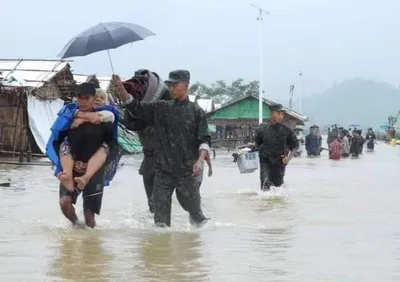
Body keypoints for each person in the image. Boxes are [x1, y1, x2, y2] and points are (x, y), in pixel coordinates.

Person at [114, 70, 210, 228]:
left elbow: (204, 139)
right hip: (162, 172)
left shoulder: (196, 112)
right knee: (160, 223)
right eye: (169, 85)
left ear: (186, 85)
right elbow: (137, 108)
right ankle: (161, 251)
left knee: (197, 215)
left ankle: (195, 248)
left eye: (174, 85)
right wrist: (122, 91)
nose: (171, 88)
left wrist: (200, 160)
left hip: (187, 172)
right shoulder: (161, 107)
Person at [53, 83, 118, 228]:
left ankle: (90, 242)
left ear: (93, 99)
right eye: (79, 98)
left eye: (86, 98)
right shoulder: (68, 118)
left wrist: (99, 166)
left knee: (89, 217)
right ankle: (76, 225)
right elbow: (56, 142)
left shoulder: (105, 120)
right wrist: (73, 163)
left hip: (93, 169)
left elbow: (113, 145)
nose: (82, 101)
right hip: (72, 166)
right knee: (64, 203)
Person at [123, 70, 172, 213]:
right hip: (149, 158)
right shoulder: (139, 111)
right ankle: (159, 229)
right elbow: (131, 124)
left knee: (161, 201)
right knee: (153, 204)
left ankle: (163, 227)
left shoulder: (165, 104)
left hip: (166, 159)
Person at [58, 89, 115, 192]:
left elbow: (109, 116)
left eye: (102, 98)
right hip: (75, 157)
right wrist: (82, 115)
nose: (98, 99)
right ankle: (68, 176)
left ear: (105, 102)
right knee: (65, 145)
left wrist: (82, 119)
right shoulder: (75, 111)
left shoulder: (107, 112)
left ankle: (86, 177)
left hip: (95, 158)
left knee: (103, 148)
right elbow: (66, 113)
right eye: (96, 97)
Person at [254, 104, 298, 191]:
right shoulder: (262, 128)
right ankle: (264, 203)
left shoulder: (287, 130)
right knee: (265, 183)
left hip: (280, 162)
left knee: (278, 188)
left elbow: (295, 146)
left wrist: (288, 158)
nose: (280, 116)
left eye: (282, 114)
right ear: (271, 114)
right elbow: (257, 143)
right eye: (278, 113)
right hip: (265, 160)